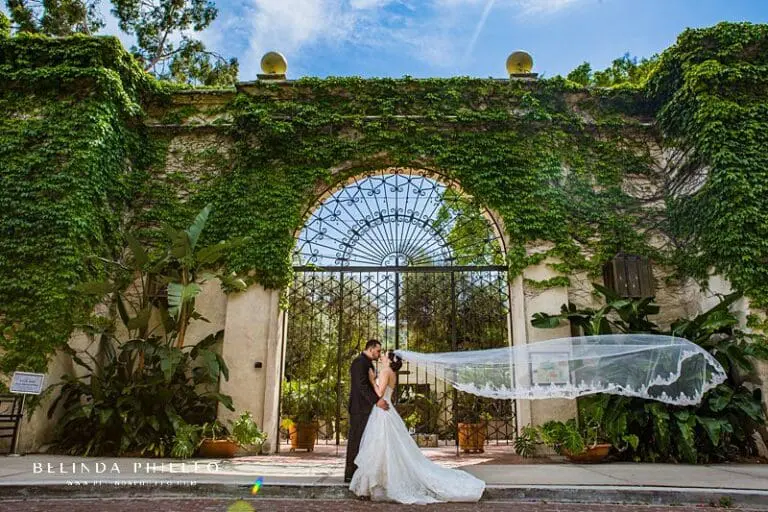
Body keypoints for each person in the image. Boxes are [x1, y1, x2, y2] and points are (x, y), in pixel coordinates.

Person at [349, 350, 486, 504]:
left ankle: (376, 485)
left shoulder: (385, 371)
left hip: (382, 412)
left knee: (380, 447)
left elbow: (380, 394)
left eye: (384, 354)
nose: (381, 355)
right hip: (387, 411)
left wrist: (372, 381)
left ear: (389, 359)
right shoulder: (392, 373)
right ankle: (379, 483)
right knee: (386, 448)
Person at [345, 339, 389, 483]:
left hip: (367, 408)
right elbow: (362, 386)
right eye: (377, 351)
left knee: (364, 442)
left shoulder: (368, 363)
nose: (379, 354)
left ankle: (360, 473)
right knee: (355, 441)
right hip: (359, 408)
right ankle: (350, 474)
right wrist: (376, 401)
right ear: (370, 349)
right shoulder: (359, 362)